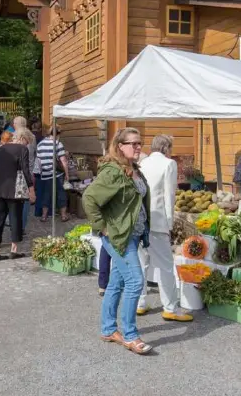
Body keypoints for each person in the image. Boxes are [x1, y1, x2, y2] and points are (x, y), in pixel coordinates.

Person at [83, 127, 153, 356]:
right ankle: (131, 335)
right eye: (132, 143)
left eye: (139, 143)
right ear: (120, 146)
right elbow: (89, 198)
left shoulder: (134, 169)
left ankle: (108, 329)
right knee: (135, 282)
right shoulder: (113, 172)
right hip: (119, 237)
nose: (138, 147)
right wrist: (101, 227)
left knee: (117, 283)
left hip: (132, 234)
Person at [138, 135, 192, 322]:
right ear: (166, 148)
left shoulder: (142, 163)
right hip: (158, 220)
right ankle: (170, 307)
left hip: (141, 219)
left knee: (141, 262)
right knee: (166, 266)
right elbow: (169, 196)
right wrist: (169, 224)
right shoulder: (169, 164)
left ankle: (140, 303)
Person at [0, 128, 35, 261]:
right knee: (15, 217)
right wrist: (31, 188)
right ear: (23, 138)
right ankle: (14, 249)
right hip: (14, 190)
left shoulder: (1, 149)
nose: (27, 145)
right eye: (27, 142)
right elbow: (25, 170)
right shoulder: (23, 149)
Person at [37, 129, 71, 222]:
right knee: (61, 193)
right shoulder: (57, 144)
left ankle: (44, 216)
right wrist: (67, 174)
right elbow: (63, 161)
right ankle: (63, 216)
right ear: (58, 134)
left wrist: (42, 172)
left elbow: (39, 161)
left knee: (46, 194)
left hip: (45, 173)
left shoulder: (40, 144)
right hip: (57, 174)